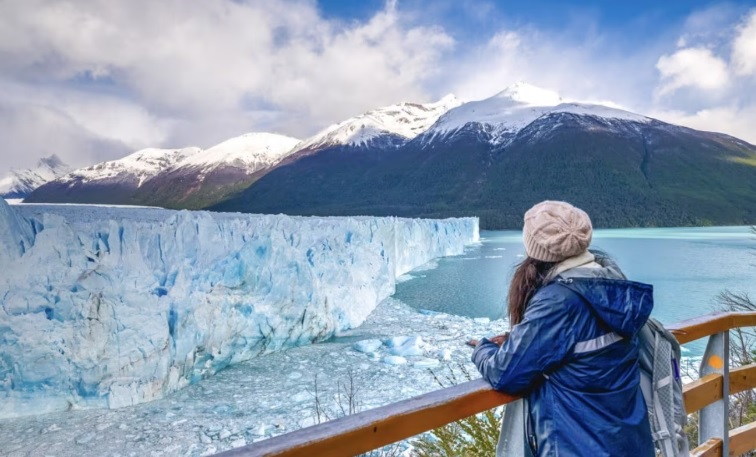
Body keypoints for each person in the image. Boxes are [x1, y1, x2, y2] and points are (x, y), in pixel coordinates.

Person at [471, 201, 655, 456]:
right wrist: (520, 339)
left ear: (535, 247)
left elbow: (505, 374)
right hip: (629, 441)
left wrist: (483, 349)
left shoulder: (557, 300)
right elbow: (584, 340)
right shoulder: (612, 280)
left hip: (578, 446)